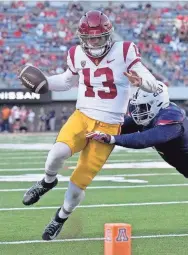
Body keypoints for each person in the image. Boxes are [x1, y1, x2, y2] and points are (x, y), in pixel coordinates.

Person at [20, 10, 158, 241]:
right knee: (56, 154)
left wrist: (141, 82)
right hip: (82, 115)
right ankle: (47, 181)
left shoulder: (124, 50)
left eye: (99, 37)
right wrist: (44, 81)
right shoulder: (75, 53)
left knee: (77, 184)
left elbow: (152, 84)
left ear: (109, 35)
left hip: (109, 125)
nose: (95, 42)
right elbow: (66, 81)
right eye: (90, 38)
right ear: (82, 38)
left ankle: (60, 218)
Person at [87, 82, 188, 179]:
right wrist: (94, 129)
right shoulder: (150, 116)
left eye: (143, 107)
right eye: (137, 107)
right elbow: (119, 127)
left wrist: (112, 139)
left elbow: (145, 139)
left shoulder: (172, 119)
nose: (138, 111)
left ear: (157, 103)